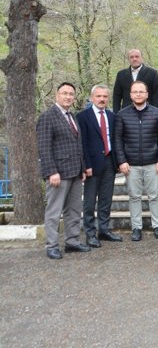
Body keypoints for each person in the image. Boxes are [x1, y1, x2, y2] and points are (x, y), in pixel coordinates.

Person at [37, 82, 89, 259]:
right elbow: (44, 147)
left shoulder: (72, 116)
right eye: (64, 93)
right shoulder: (47, 117)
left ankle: (72, 241)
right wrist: (51, 171)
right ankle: (52, 245)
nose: (68, 97)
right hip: (58, 173)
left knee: (74, 210)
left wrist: (82, 168)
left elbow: (77, 144)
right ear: (57, 95)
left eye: (71, 94)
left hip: (75, 172)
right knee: (54, 211)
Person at [114, 80, 158, 242]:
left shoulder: (157, 113)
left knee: (154, 196)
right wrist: (121, 161)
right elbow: (117, 139)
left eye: (141, 91)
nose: (138, 94)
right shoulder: (122, 115)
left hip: (153, 163)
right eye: (135, 92)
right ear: (130, 95)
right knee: (134, 197)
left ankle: (157, 225)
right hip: (131, 164)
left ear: (147, 94)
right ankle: (136, 227)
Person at [76, 84, 123, 247]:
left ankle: (104, 230)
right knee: (89, 201)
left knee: (106, 199)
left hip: (109, 162)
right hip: (91, 165)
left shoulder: (112, 116)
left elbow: (115, 139)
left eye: (104, 96)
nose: (102, 99)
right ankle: (90, 233)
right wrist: (85, 165)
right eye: (98, 96)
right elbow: (82, 143)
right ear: (91, 98)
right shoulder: (82, 116)